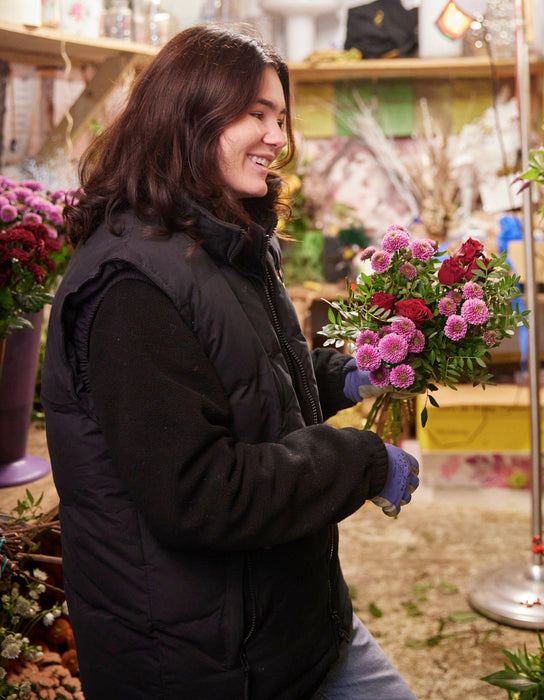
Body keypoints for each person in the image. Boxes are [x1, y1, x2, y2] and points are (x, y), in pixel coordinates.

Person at [41, 23, 420, 700]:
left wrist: (347, 373)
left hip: (291, 624)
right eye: (257, 115)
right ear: (189, 116)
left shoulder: (221, 239)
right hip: (202, 662)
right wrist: (361, 462)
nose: (278, 137)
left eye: (280, 117)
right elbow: (200, 494)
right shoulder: (131, 287)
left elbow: (247, 383)